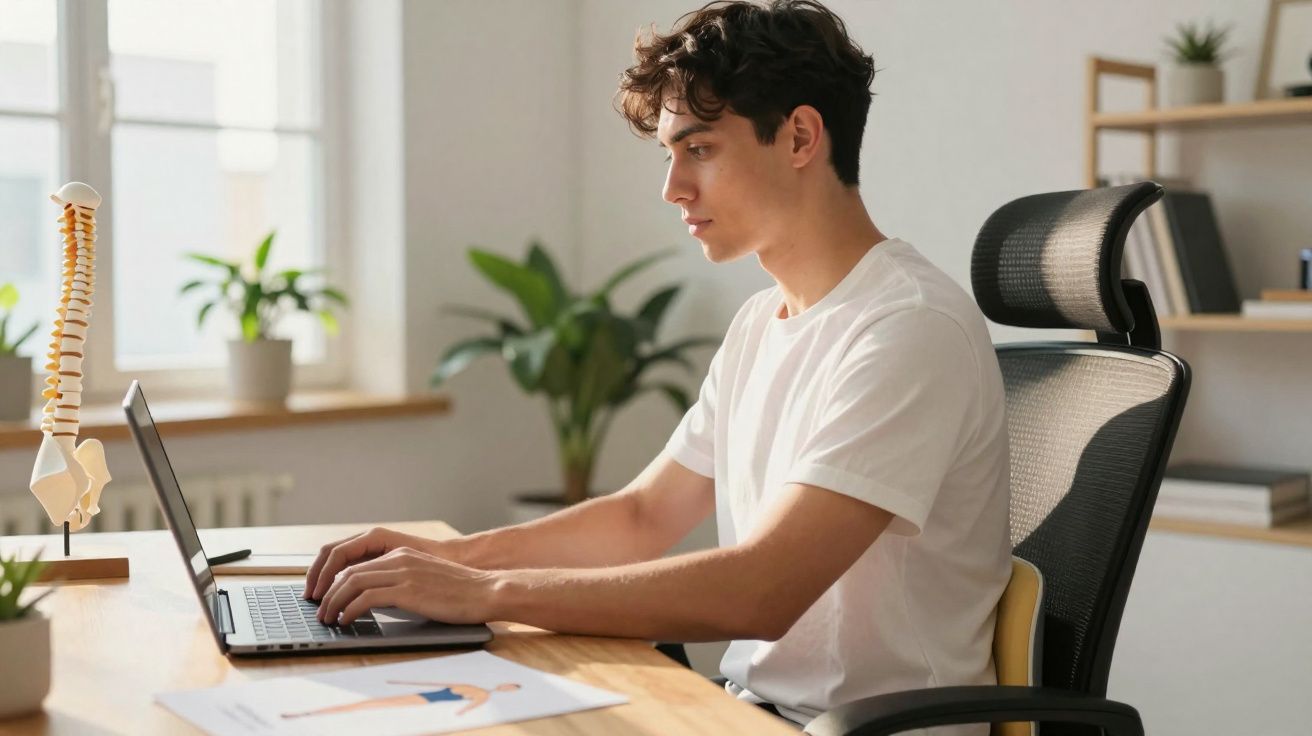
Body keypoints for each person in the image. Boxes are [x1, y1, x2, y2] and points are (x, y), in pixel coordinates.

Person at [304, 1, 1010, 731]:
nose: (673, 187)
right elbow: (643, 516)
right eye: (671, 154)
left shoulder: (908, 327)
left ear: (800, 136)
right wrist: (453, 559)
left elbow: (763, 588)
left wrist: (486, 594)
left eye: (699, 148)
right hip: (755, 714)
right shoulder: (760, 323)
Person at [280, 681, 521, 719]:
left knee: (370, 707)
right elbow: (433, 685)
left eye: (509, 688)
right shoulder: (474, 687)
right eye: (508, 685)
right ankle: (309, 713)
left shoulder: (482, 695)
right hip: (420, 696)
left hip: (424, 703)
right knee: (367, 705)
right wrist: (400, 682)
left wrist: (459, 715)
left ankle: (309, 714)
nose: (505, 687)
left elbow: (468, 708)